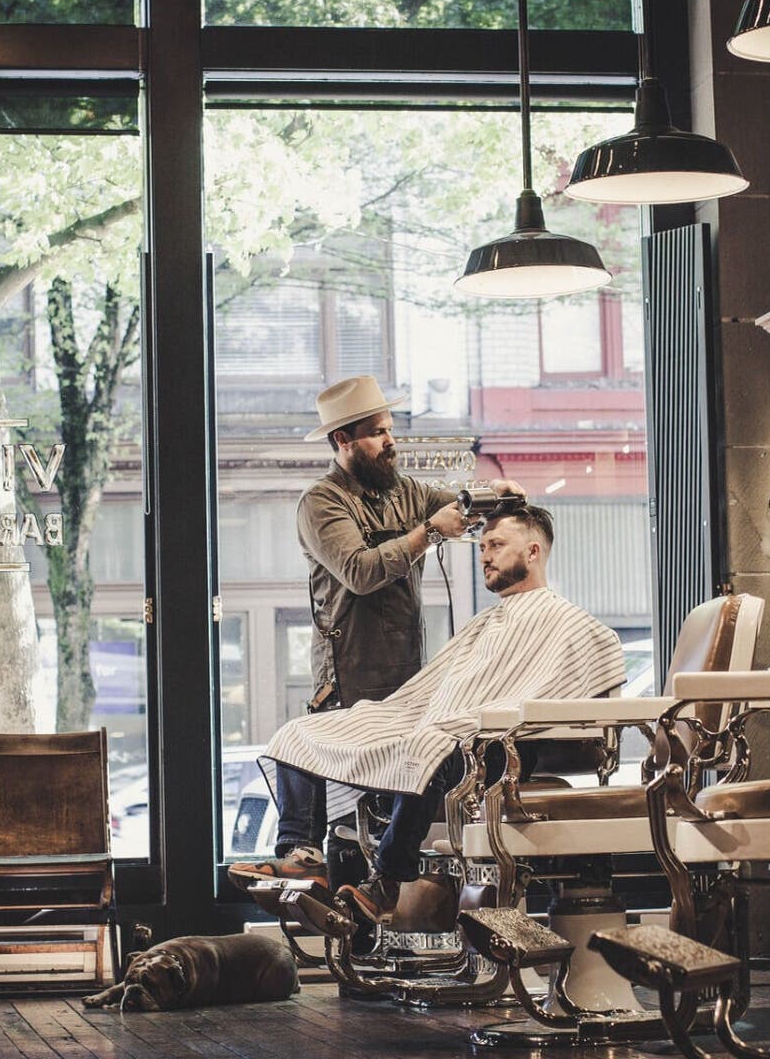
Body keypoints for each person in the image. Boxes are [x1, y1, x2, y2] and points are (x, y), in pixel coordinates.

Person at [245, 504, 623, 922]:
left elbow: (577, 690)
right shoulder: (487, 621)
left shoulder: (576, 624)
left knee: (429, 743)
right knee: (298, 733)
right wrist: (402, 718)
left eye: (496, 545)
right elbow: (437, 693)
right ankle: (304, 854)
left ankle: (387, 880)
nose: (485, 556)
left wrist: (461, 722)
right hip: (443, 732)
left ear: (533, 552)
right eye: (481, 547)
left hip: (500, 748)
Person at [231, 374, 518, 885]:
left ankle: (382, 893)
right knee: (333, 796)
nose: (391, 442)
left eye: (390, 430)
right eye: (376, 433)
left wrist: (495, 495)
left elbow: (459, 503)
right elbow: (361, 572)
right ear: (343, 441)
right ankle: (313, 864)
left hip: (406, 675)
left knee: (397, 788)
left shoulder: (405, 492)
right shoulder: (321, 504)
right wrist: (429, 532)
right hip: (348, 675)